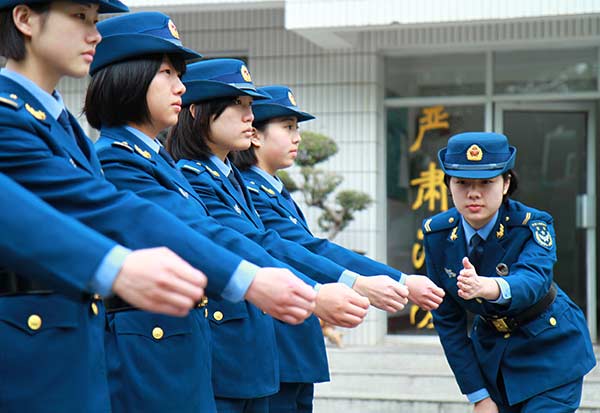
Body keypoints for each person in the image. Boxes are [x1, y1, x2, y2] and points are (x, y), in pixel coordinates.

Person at [0, 4, 315, 412]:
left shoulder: (62, 127)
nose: (95, 35)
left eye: (95, 21)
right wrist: (247, 279)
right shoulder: (12, 119)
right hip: (38, 359)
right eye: (80, 17)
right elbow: (108, 210)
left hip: (79, 353)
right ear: (25, 19)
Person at [86, 25, 368, 412]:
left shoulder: (157, 162)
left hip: (192, 350)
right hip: (153, 353)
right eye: (167, 73)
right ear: (128, 79)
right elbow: (200, 232)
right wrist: (313, 291)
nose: (180, 89)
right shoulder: (119, 158)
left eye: (180, 76)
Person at [167, 68, 437, 412]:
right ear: (199, 111)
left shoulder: (236, 181)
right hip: (243, 351)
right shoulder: (204, 179)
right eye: (287, 127)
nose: (249, 117)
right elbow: (272, 245)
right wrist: (338, 287)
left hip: (269, 350)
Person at [422, 132, 596, 413]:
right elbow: (448, 322)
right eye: (462, 182)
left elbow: (535, 279)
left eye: (486, 182)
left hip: (550, 348)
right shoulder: (438, 234)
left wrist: (488, 287)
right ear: (449, 186)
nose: (473, 193)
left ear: (505, 184)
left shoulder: (531, 224)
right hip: (493, 355)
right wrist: (478, 395)